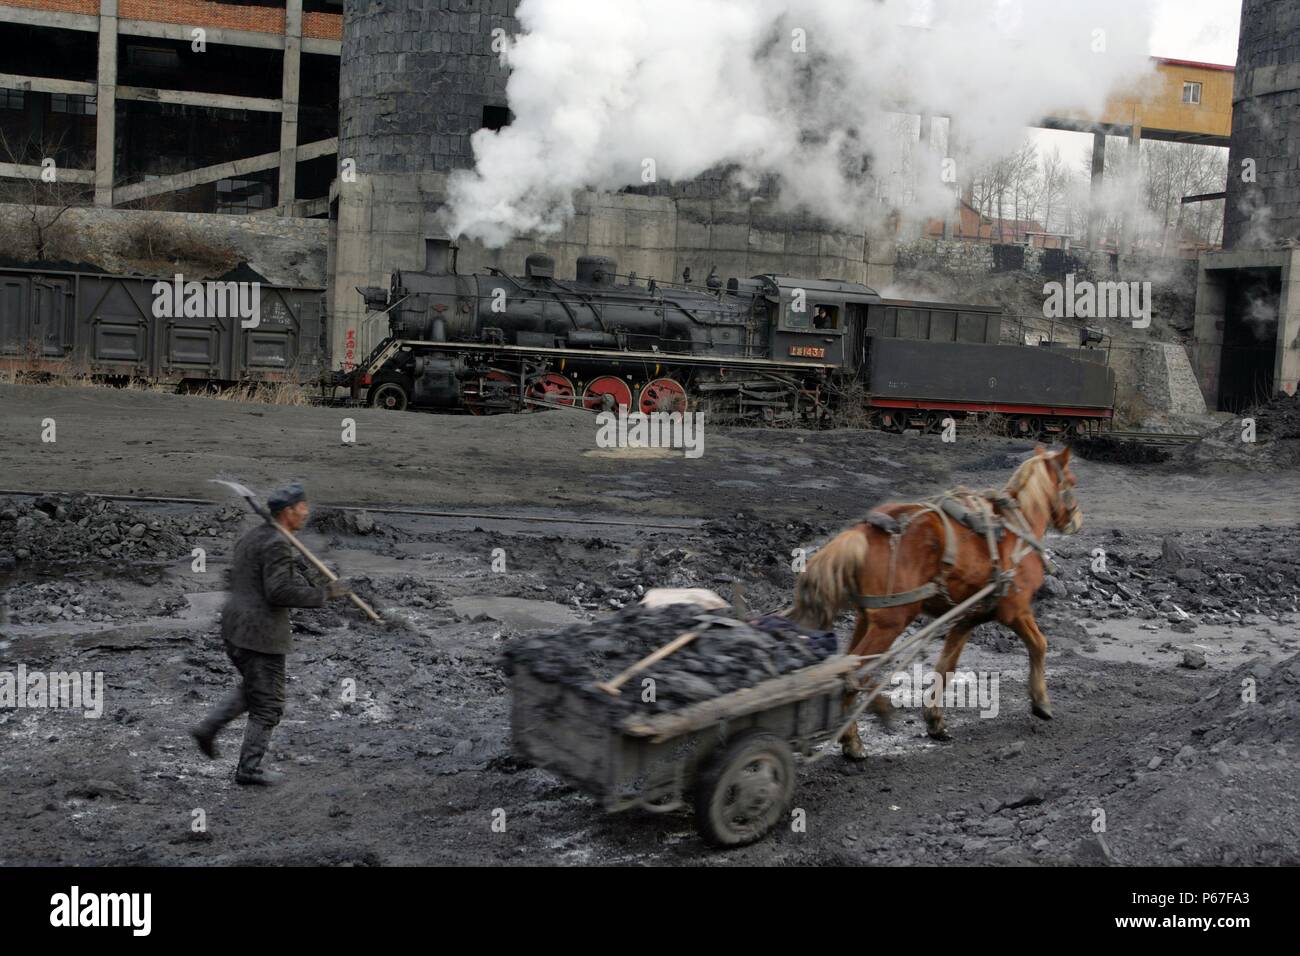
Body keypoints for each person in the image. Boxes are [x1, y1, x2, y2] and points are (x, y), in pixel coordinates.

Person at [190, 483, 350, 786]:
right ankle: (249, 769)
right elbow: (279, 592)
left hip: (235, 626)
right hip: (259, 635)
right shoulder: (277, 543)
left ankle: (207, 729)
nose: (307, 512)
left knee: (254, 688)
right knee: (268, 704)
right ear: (288, 512)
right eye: (302, 507)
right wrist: (325, 592)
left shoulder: (254, 537)